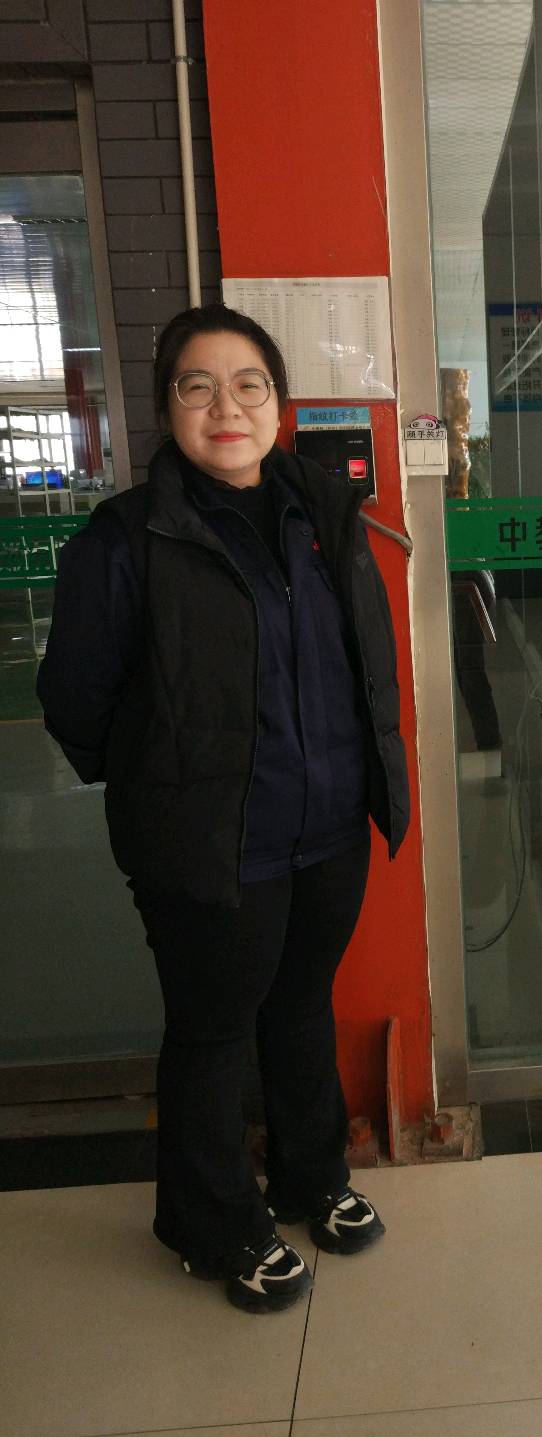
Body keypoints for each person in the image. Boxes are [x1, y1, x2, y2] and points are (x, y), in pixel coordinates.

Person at [37, 303, 410, 1312]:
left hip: (326, 828)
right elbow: (74, 701)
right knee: (210, 1033)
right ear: (168, 409)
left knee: (301, 1007)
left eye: (249, 383)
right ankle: (212, 1224)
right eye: (197, 386)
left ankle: (310, 1179)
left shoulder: (323, 514)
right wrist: (163, 779)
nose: (226, 406)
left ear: (279, 403)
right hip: (209, 846)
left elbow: (362, 663)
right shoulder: (129, 538)